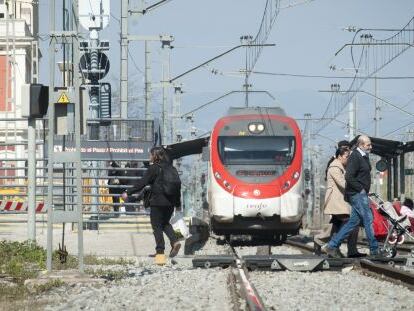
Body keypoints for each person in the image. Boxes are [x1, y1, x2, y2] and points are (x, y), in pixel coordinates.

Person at [322, 135, 380, 258]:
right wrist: (361, 189)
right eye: (368, 145)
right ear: (361, 145)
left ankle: (331, 246)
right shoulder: (355, 157)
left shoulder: (363, 156)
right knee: (368, 219)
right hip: (357, 194)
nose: (371, 147)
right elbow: (349, 177)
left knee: (353, 222)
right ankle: (374, 249)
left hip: (358, 194)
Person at [122, 147, 181, 265]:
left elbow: (142, 183)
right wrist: (178, 203)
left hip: (157, 202)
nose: (149, 157)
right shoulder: (172, 168)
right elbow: (177, 187)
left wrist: (128, 192)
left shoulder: (154, 168)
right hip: (170, 202)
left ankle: (160, 256)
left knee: (157, 227)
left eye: (150, 155)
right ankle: (174, 242)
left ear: (155, 156)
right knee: (165, 223)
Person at [322, 147, 365, 258]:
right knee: (351, 223)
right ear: (339, 156)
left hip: (341, 201)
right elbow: (343, 184)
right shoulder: (335, 167)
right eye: (347, 157)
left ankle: (335, 249)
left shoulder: (341, 167)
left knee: (337, 225)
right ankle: (337, 248)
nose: (348, 159)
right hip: (337, 201)